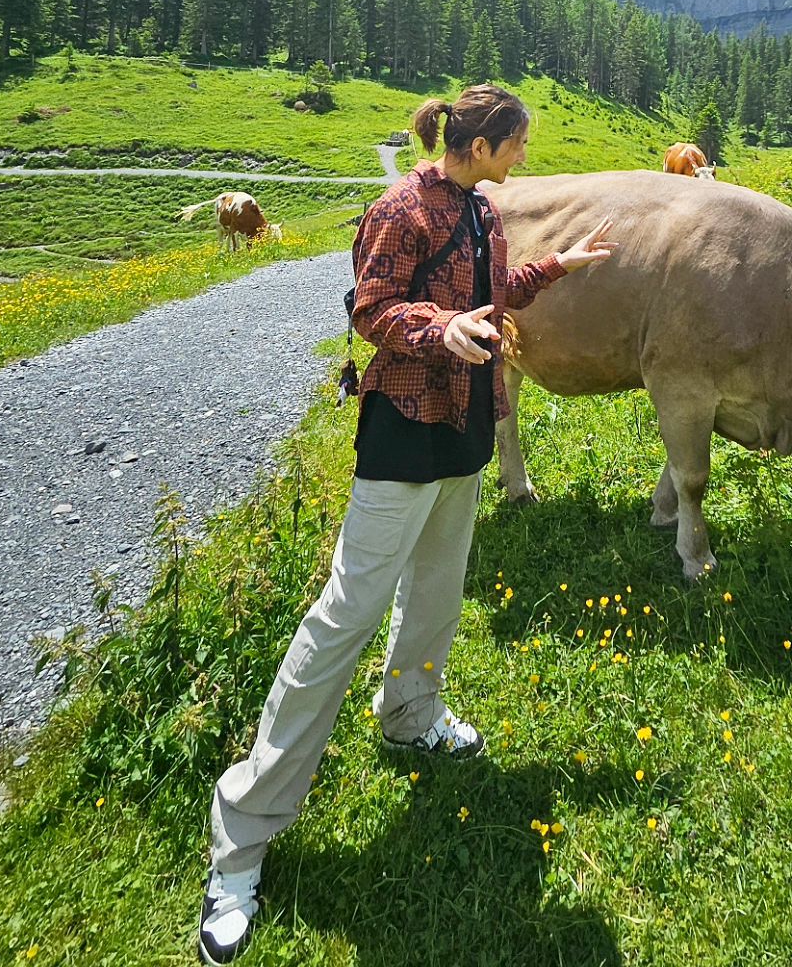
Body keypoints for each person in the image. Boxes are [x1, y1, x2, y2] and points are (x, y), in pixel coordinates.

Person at [199, 85, 615, 964]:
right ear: (488, 141)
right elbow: (370, 309)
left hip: (465, 428)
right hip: (401, 431)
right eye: (521, 144)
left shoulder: (480, 210)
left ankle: (410, 713)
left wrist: (560, 267)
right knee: (344, 618)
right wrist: (441, 327)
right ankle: (240, 840)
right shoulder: (400, 208)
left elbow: (493, 292)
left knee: (437, 591)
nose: (527, 158)